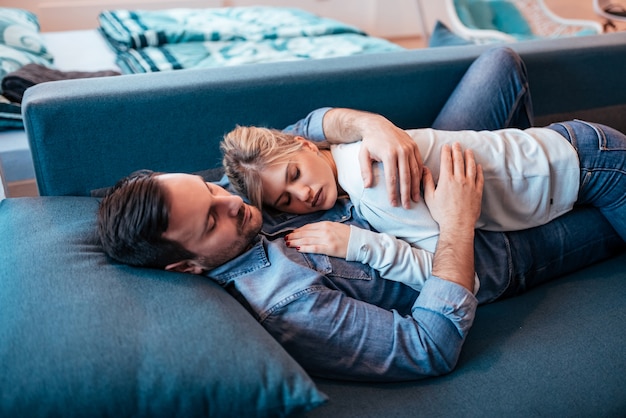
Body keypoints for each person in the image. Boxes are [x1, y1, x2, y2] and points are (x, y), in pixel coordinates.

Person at [97, 47, 625, 381]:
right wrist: (458, 222)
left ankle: (538, 177)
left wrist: (372, 127)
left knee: (497, 63)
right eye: (212, 219)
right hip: (483, 250)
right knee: (604, 170)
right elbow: (426, 348)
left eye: (208, 189)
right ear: (186, 267)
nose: (231, 203)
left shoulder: (237, 206)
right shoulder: (288, 304)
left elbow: (290, 140)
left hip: (410, 179)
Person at [221, 113, 626, 291]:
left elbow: (459, 280)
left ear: (304, 143)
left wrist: (355, 245)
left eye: (294, 175)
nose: (304, 195)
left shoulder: (372, 180)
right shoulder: (347, 153)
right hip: (565, 162)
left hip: (592, 167)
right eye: (285, 200)